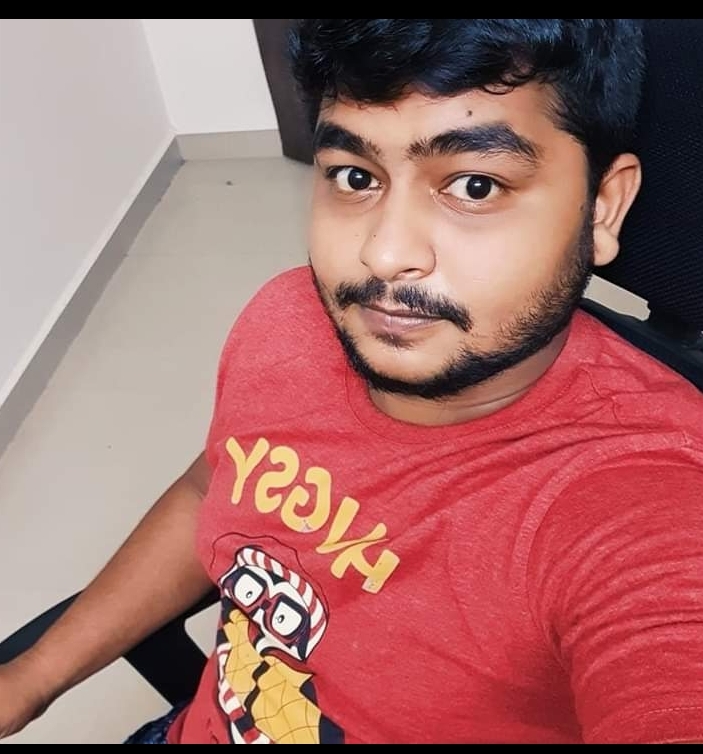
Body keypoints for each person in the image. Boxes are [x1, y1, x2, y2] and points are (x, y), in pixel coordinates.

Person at [1, 18, 703, 745]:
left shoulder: (645, 505)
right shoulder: (288, 320)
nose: (384, 254)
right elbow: (216, 486)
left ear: (602, 206)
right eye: (355, 177)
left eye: (474, 185)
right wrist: (30, 678)